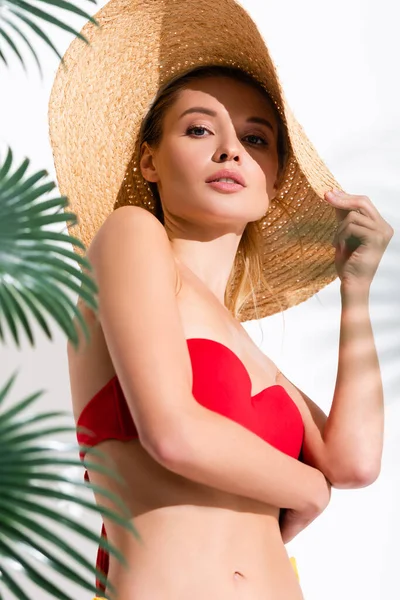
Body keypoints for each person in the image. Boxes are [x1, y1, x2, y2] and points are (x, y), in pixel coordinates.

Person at [48, 1, 393, 598]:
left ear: (275, 177)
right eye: (201, 128)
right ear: (150, 160)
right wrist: (309, 492)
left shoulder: (242, 345)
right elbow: (173, 433)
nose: (232, 150)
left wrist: (355, 290)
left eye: (255, 137)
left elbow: (355, 464)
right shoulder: (130, 233)